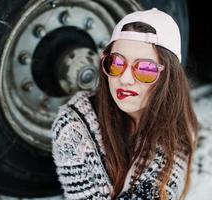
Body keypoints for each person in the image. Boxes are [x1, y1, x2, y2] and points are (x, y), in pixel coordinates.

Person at [51, 8, 198, 200]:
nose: (125, 79)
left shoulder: (176, 126)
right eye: (116, 63)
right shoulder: (73, 128)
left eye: (145, 68)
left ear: (168, 78)